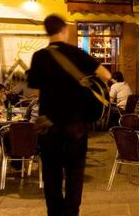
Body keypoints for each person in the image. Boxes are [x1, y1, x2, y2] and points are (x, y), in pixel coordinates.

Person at [27, 14, 111, 216]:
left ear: (47, 32)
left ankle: (54, 213)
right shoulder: (77, 53)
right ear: (64, 30)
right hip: (75, 126)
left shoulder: (39, 56)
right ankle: (71, 212)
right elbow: (106, 75)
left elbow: (34, 90)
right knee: (74, 174)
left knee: (52, 175)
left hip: (49, 127)